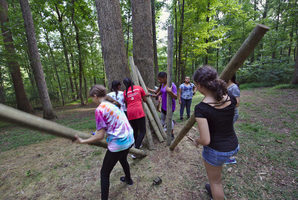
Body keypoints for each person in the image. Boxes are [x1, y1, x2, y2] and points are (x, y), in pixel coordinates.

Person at [74, 85, 134, 200]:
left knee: (104, 173)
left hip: (119, 143)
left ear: (95, 96)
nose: (92, 100)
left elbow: (100, 136)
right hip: (130, 138)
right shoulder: (113, 103)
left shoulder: (100, 109)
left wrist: (83, 141)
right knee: (123, 158)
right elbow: (110, 124)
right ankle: (128, 179)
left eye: (92, 97)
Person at [192, 66, 239, 200]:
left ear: (199, 86)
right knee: (216, 176)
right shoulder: (230, 96)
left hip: (216, 150)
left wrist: (197, 140)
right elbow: (234, 106)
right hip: (233, 145)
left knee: (216, 183)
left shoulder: (201, 108)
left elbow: (205, 140)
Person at [123, 78, 148, 157]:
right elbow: (145, 100)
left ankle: (137, 144)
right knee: (142, 131)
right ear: (132, 81)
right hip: (139, 112)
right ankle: (135, 151)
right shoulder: (139, 88)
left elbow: (126, 102)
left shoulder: (125, 92)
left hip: (130, 113)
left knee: (135, 130)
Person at [224, 75, 241, 165]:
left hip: (232, 114)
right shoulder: (227, 86)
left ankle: (230, 157)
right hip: (227, 114)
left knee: (227, 134)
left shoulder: (234, 87)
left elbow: (237, 103)